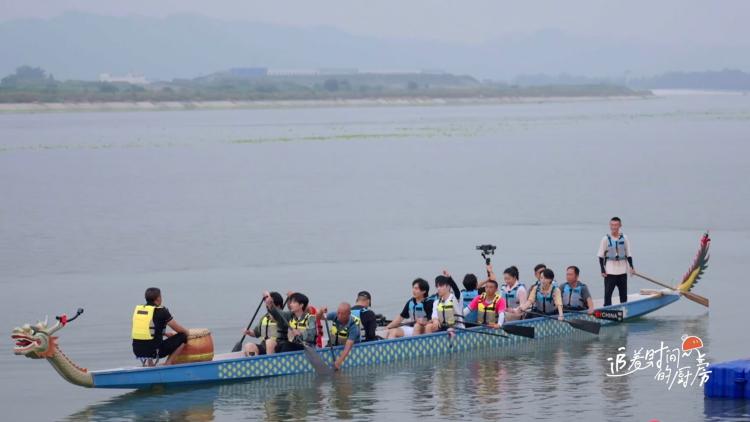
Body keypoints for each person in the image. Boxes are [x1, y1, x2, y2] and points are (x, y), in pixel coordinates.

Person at [131, 287, 189, 366]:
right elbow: (178, 329)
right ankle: (169, 363)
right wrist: (187, 332)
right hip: (155, 352)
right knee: (183, 336)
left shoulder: (139, 311)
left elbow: (147, 330)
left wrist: (164, 334)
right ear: (158, 298)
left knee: (148, 342)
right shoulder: (162, 311)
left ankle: (150, 364)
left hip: (137, 351)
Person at [598, 216, 634, 306]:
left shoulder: (624, 238)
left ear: (620, 225)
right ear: (610, 226)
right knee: (608, 294)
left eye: (616, 225)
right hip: (610, 272)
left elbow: (628, 253)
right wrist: (602, 270)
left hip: (622, 271)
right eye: (612, 225)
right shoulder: (605, 239)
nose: (614, 227)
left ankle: (624, 309)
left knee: (623, 295)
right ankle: (607, 310)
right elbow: (600, 256)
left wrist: (631, 267)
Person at [318, 302, 361, 370]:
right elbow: (319, 318)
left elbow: (348, 346)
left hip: (349, 351)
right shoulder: (335, 315)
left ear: (348, 314)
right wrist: (321, 311)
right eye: (338, 313)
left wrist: (339, 361)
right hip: (333, 346)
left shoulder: (353, 326)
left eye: (342, 314)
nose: (339, 316)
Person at [242, 291, 284, 357]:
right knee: (249, 346)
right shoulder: (264, 318)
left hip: (278, 346)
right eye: (267, 305)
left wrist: (269, 300)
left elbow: (277, 316)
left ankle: (270, 364)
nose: (267, 306)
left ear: (278, 305)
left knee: (269, 342)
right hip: (264, 346)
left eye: (270, 303)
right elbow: (256, 333)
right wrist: (249, 332)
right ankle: (254, 363)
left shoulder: (283, 316)